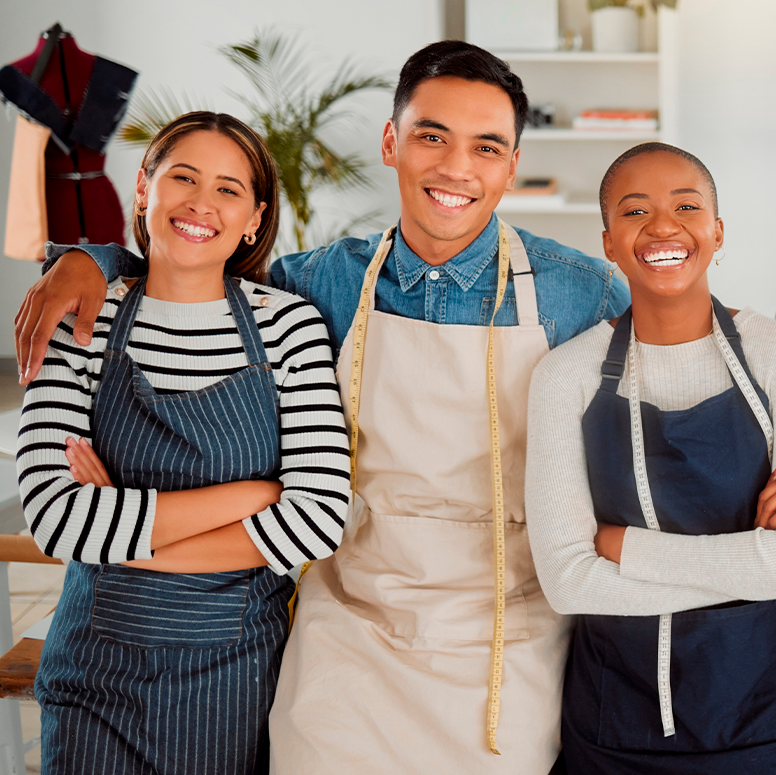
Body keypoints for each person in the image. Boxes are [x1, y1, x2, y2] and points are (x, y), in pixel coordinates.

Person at [14, 42, 629, 773]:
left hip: (504, 630)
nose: (456, 168)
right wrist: (92, 258)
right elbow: (196, 265)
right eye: (431, 135)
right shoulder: (318, 285)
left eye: (486, 147)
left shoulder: (584, 293)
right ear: (392, 142)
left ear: (511, 164)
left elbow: (667, 386)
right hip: (350, 624)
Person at [16, 111, 350, 774]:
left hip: (231, 676)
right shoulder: (79, 315)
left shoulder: (289, 327)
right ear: (145, 188)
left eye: (229, 189)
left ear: (255, 218)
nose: (203, 202)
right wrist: (250, 496)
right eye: (184, 177)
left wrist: (124, 536)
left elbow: (317, 518)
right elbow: (55, 518)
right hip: (92, 671)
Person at [527, 142, 776, 772]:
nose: (663, 227)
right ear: (609, 242)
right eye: (635, 211)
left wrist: (624, 547)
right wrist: (751, 557)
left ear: (717, 232)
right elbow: (566, 581)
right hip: (615, 720)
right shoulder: (566, 377)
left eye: (686, 207)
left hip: (765, 718)